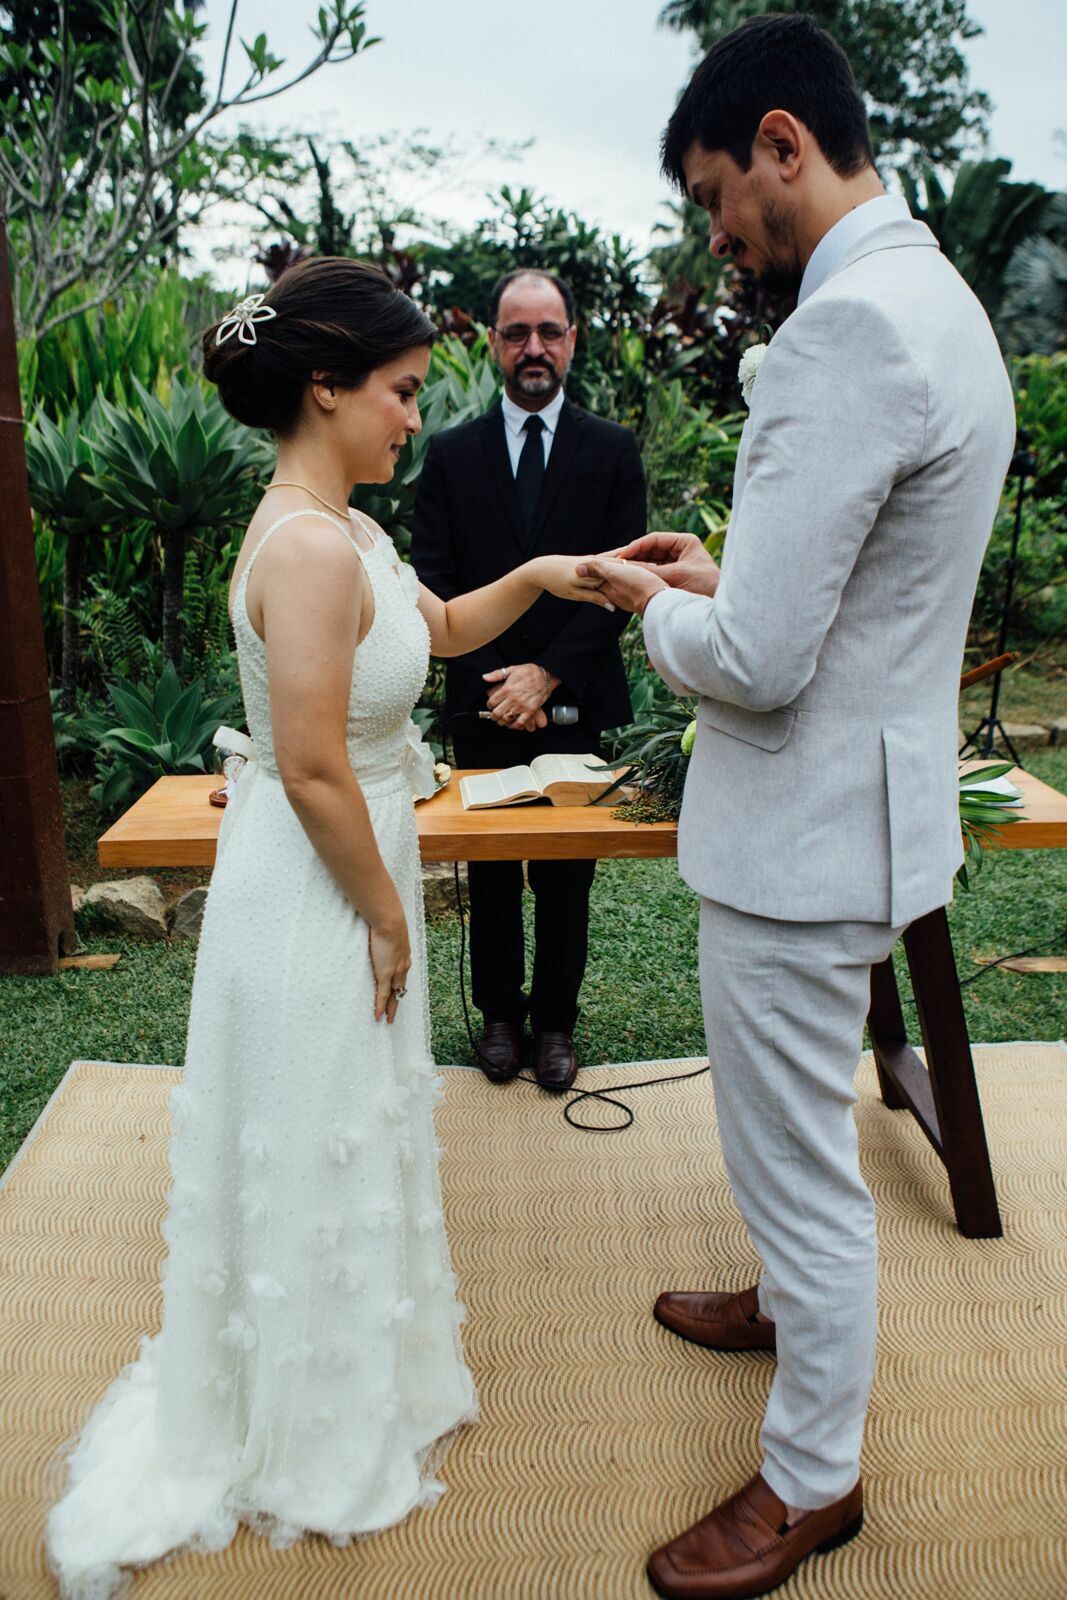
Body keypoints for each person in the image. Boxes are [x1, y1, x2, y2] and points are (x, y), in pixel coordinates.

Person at [45, 258, 604, 1598]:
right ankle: (300, 1426)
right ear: (325, 388)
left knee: (349, 1123)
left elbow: (443, 627)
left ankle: (350, 1373)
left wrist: (547, 571)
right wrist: (387, 917)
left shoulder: (346, 529)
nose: (414, 416)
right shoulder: (301, 547)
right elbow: (305, 764)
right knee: (313, 1123)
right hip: (314, 892)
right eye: (401, 392)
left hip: (347, 867)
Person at [581, 16, 1015, 1599]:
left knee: (794, 1169)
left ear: (781, 143)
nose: (716, 234)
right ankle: (783, 1303)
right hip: (868, 812)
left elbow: (757, 664)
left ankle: (809, 1478)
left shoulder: (841, 332)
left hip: (795, 840)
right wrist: (728, 575)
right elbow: (861, 591)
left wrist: (653, 609)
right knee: (794, 1145)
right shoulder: (938, 304)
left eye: (715, 195)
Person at [411, 268, 645, 1092]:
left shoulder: (611, 450)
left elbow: (623, 585)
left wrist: (544, 677)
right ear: (494, 344)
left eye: (548, 331)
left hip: (573, 698)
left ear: (571, 340)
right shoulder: (451, 454)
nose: (533, 347)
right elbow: (433, 583)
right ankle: (499, 1019)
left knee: (564, 875)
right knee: (491, 873)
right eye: (516, 333)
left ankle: (554, 1026)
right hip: (482, 702)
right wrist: (497, 687)